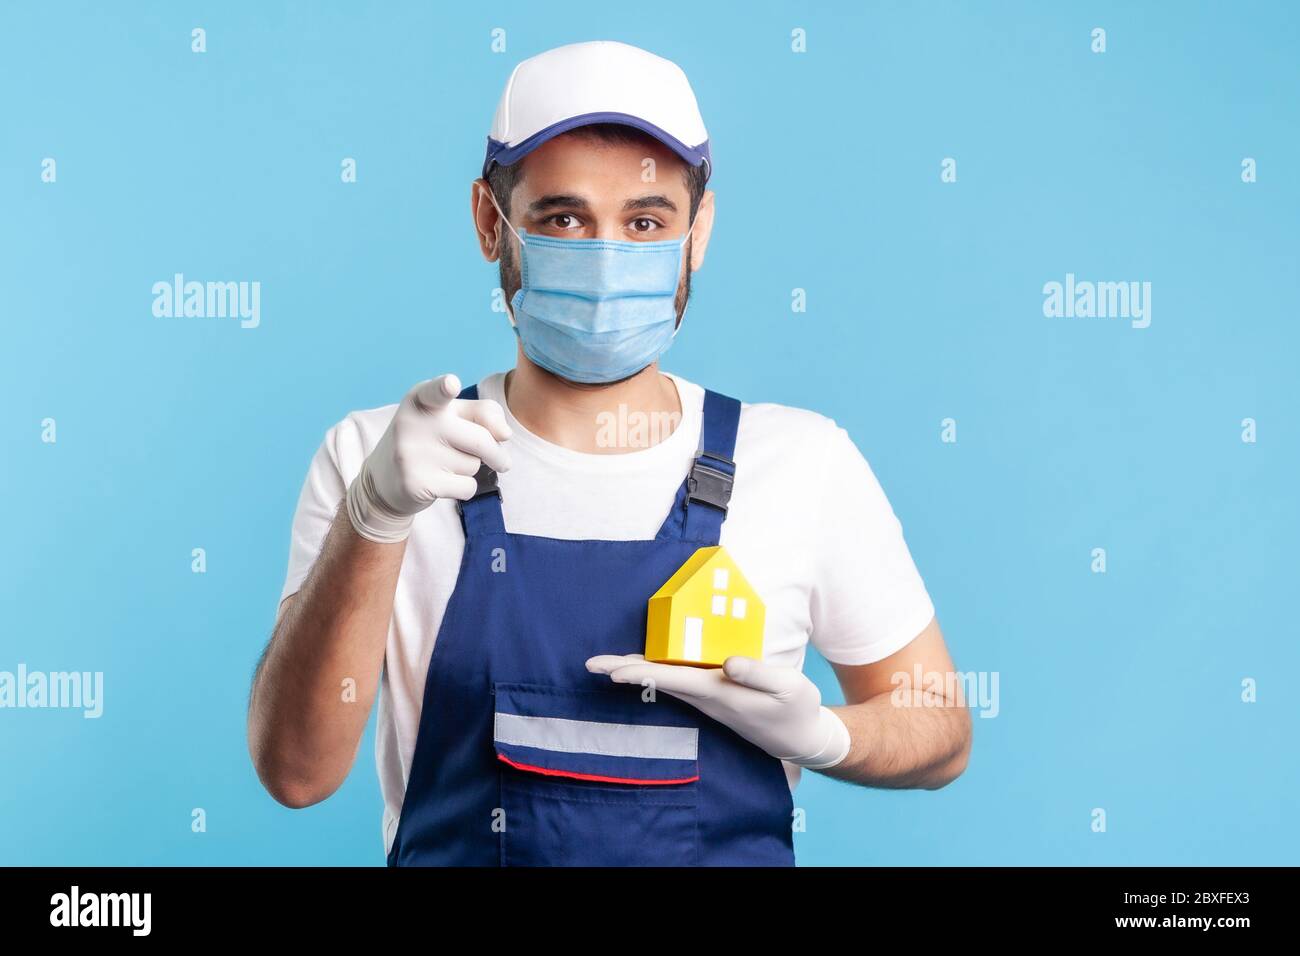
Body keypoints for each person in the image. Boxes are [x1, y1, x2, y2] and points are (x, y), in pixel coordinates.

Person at [248, 40, 971, 866]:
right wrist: (373, 517)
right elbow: (296, 772)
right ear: (491, 223)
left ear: (698, 232)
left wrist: (823, 733)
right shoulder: (384, 460)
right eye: (563, 218)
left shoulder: (803, 464)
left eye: (644, 221)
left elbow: (939, 728)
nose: (604, 256)